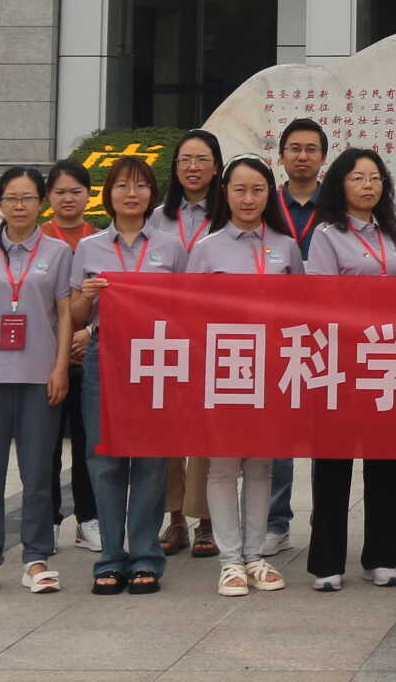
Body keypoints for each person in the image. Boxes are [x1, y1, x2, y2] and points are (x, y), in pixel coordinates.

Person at [304, 146, 396, 589]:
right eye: (358, 178)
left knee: (387, 461)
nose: (368, 186)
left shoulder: (389, 232)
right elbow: (320, 300)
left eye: (375, 178)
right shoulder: (326, 235)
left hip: (386, 358)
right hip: (342, 361)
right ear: (340, 184)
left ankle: (382, 554)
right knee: (334, 463)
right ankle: (327, 563)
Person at [0, 165, 75, 595]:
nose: (19, 206)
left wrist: (60, 367)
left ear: (41, 203)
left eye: (27, 198)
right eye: (11, 198)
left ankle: (36, 557)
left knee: (38, 472)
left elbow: (64, 314)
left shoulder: (58, 253)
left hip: (39, 377)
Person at [184, 154, 301, 596]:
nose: (248, 198)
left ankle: (255, 556)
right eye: (239, 190)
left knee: (261, 464)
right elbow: (190, 314)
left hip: (273, 369)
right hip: (224, 367)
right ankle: (230, 561)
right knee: (222, 465)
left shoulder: (286, 246)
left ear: (270, 193)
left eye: (257, 190)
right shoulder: (206, 248)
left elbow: (302, 309)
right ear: (225, 194)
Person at [68, 154, 181, 594]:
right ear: (108, 194)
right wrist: (88, 296)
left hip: (157, 357)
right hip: (106, 355)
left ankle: (146, 556)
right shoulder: (90, 247)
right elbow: (75, 314)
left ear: (153, 194)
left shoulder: (171, 247)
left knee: (152, 459)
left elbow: (187, 308)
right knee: (105, 458)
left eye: (141, 185)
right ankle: (111, 558)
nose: (132, 194)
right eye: (122, 185)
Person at [265, 117, 330, 561]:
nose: (302, 156)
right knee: (279, 433)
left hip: (328, 332)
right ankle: (275, 522)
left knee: (327, 433)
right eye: (294, 148)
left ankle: (326, 524)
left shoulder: (337, 203)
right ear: (281, 155)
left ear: (323, 157)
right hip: (277, 330)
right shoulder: (265, 203)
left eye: (310, 149)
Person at [158, 129, 222, 560]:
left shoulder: (227, 214)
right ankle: (175, 517)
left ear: (216, 167)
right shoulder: (157, 217)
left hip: (212, 336)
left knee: (206, 430)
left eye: (201, 160)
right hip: (164, 334)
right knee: (168, 430)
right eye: (185, 160)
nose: (193, 167)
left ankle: (207, 521)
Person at [39, 161, 101, 555]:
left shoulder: (101, 239)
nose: (68, 199)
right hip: (46, 357)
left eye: (76, 191)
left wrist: (89, 333)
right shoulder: (38, 239)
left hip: (90, 354)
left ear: (88, 195)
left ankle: (88, 519)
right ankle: (46, 519)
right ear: (48, 196)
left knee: (88, 444)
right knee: (44, 444)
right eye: (60, 192)